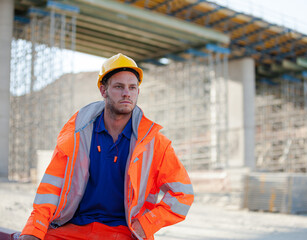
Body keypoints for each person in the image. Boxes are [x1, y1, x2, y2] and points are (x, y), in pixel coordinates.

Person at [18, 53, 194, 240]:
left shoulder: (155, 143)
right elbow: (52, 188)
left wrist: (147, 225)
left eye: (132, 87)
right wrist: (34, 229)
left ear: (137, 92)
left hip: (125, 232)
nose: (127, 93)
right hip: (73, 228)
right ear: (103, 90)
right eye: (119, 87)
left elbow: (183, 194)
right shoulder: (76, 135)